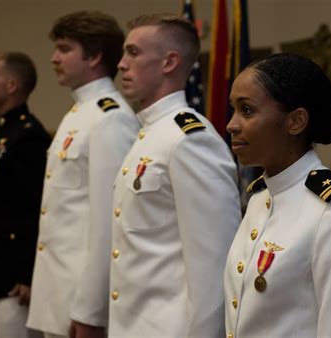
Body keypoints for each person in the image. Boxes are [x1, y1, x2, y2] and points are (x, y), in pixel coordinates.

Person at [70, 13, 241, 338]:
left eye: (133, 53)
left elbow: (213, 266)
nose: (121, 64)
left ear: (169, 62)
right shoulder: (149, 134)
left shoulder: (190, 139)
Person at [224, 53, 331, 337]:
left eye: (246, 110)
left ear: (296, 121)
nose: (231, 124)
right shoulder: (261, 197)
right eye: (233, 110)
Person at [27, 11, 139, 338]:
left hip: (81, 297)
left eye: (64, 49)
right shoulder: (79, 113)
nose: (53, 58)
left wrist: (91, 309)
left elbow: (109, 220)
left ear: (95, 56)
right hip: (59, 291)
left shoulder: (110, 117)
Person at [0, 52, 51, 338]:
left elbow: (35, 209)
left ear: (12, 85)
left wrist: (28, 274)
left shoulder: (28, 136)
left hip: (14, 280)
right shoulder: (1, 135)